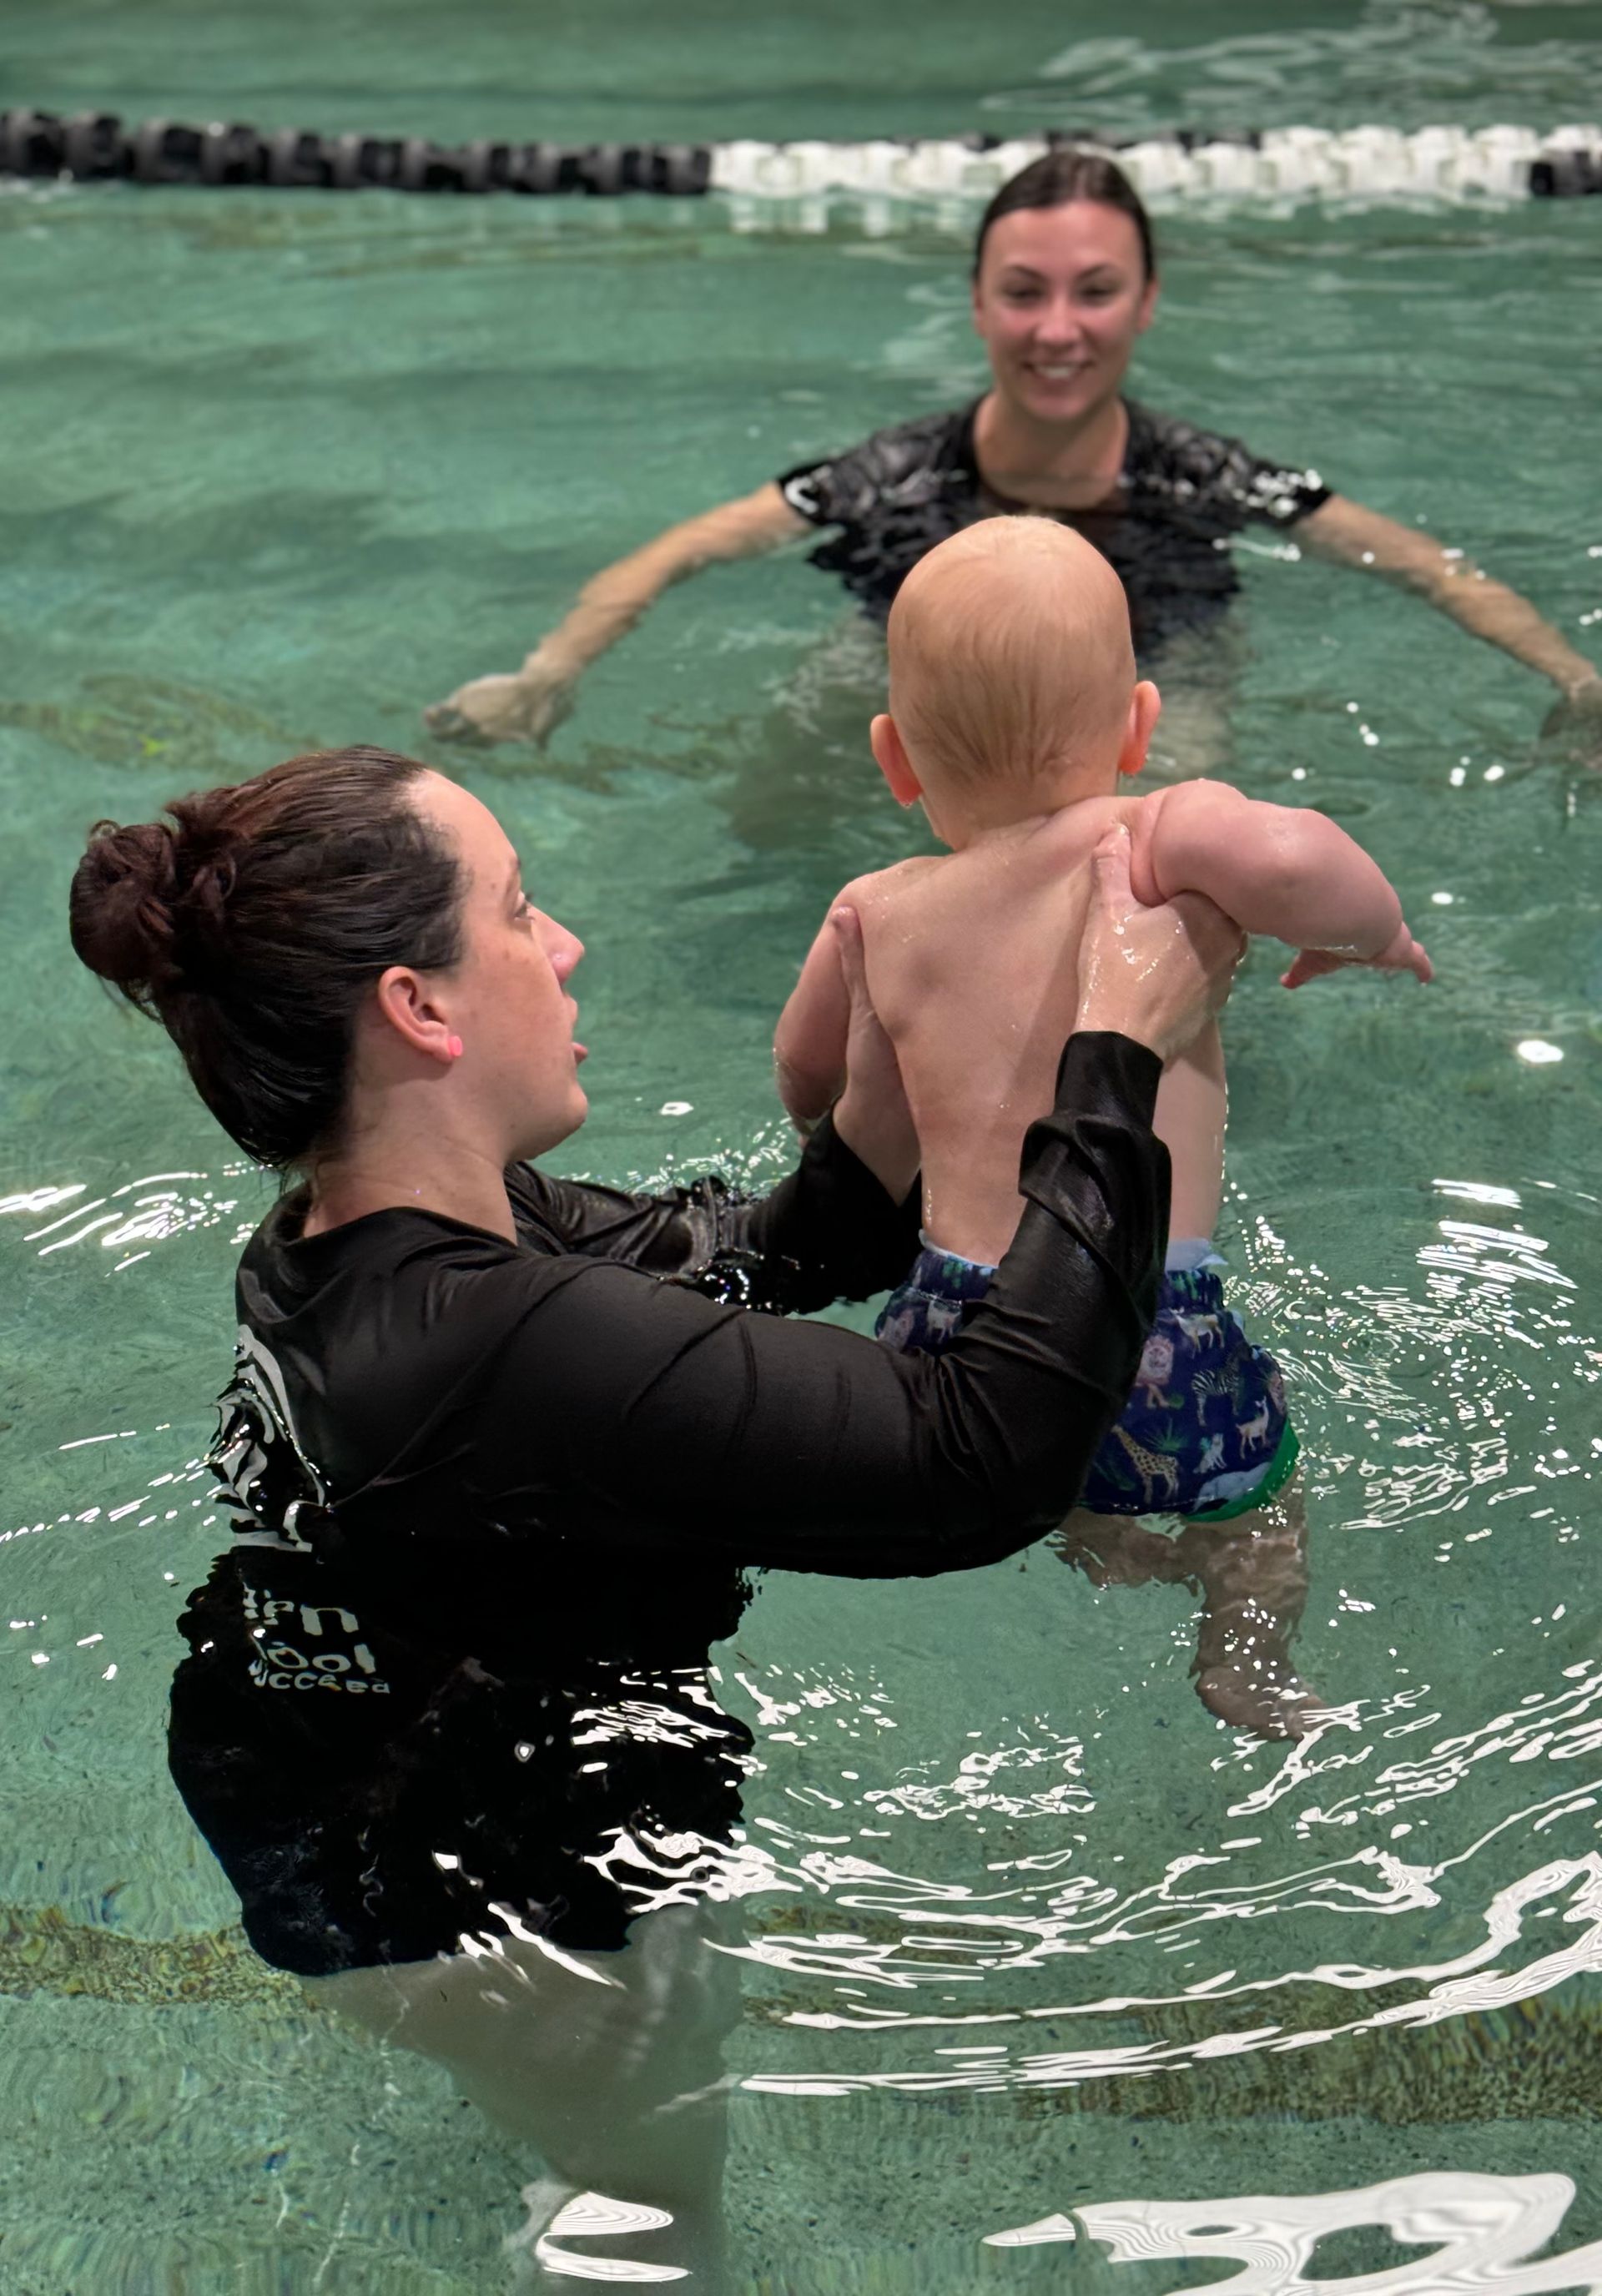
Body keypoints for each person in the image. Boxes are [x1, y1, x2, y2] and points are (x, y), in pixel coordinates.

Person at [67, 744, 1241, 2288]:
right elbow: (983, 1455)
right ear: (420, 1009)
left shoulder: (399, 1224)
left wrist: (898, 1054)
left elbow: (762, 1255)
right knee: (650, 2195)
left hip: (337, 1748)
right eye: (520, 910)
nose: (564, 948)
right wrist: (1116, 1059)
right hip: (468, 1884)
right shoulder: (489, 1343)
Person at [773, 517, 1432, 1742]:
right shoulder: (1153, 836)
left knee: (1044, 1476)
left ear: (893, 760)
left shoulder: (870, 911)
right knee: (1261, 1505)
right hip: (1147, 1325)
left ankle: (1108, 1544)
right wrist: (1371, 932)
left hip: (952, 1330)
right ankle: (1245, 1664)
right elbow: (1294, 856)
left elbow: (807, 1082)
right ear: (1138, 724)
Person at [423, 147, 1601, 766]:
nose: (1057, 329)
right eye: (1025, 293)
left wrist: (1574, 681)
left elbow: (1427, 568)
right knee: (786, 774)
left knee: (1171, 810)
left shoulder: (1202, 476)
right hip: (911, 643)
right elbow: (677, 554)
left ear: (1146, 304)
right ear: (979, 306)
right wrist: (548, 671)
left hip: (1156, 653)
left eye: (1095, 293)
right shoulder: (897, 472)